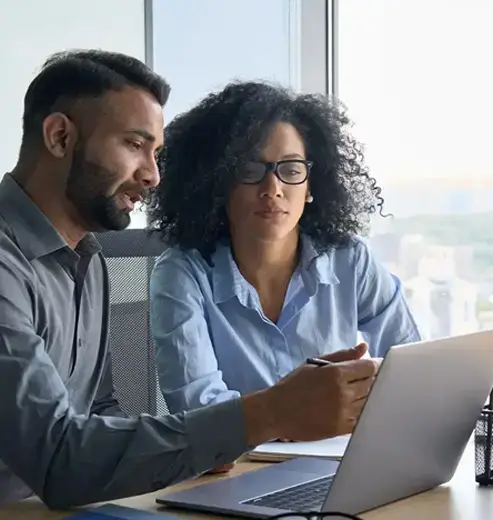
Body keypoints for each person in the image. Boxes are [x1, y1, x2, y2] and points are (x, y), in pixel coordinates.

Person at [0, 49, 379, 508]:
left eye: (156, 153)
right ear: (60, 137)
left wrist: (198, 445)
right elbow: (60, 460)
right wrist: (269, 413)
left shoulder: (88, 260)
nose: (153, 175)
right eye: (134, 145)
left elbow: (99, 414)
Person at [145, 82, 421, 431]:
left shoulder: (350, 260)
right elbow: (200, 415)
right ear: (216, 183)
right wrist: (298, 415)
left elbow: (412, 369)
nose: (273, 189)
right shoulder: (181, 274)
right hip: (236, 474)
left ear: (310, 188)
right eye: (249, 170)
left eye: (291, 170)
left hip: (339, 460)